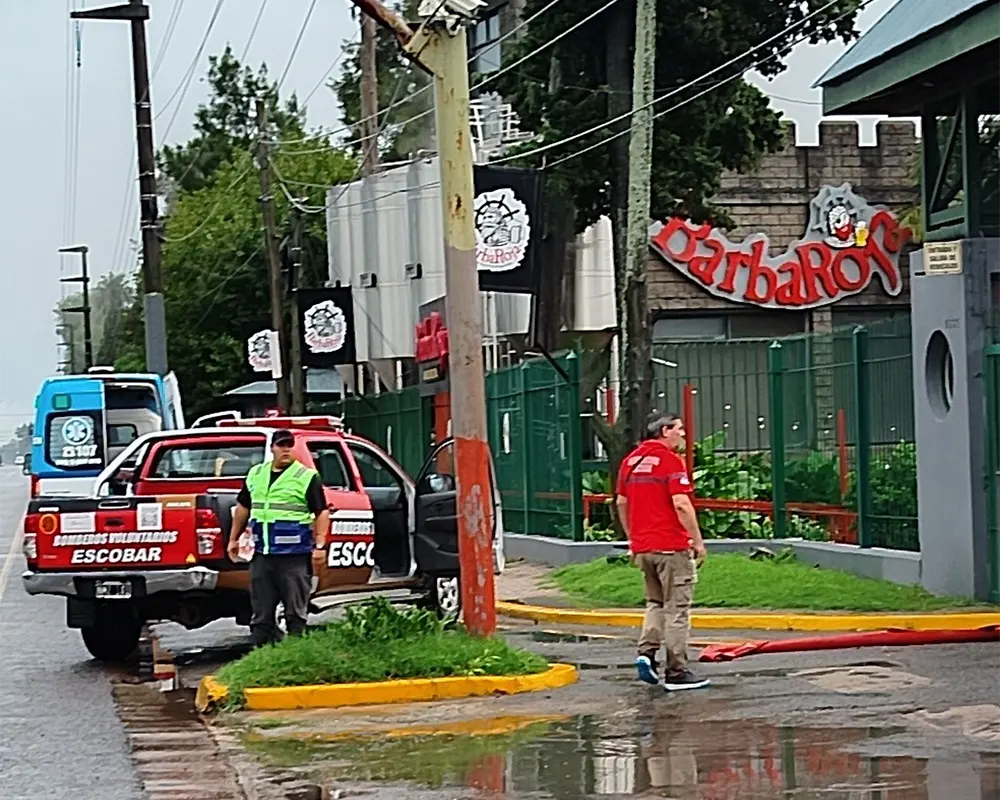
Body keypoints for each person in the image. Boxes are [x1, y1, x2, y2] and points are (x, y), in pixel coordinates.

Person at [616, 411, 709, 691]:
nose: (683, 434)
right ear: (665, 430)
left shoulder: (630, 462)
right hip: (671, 547)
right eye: (679, 429)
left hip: (644, 548)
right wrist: (698, 541)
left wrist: (634, 538)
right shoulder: (670, 461)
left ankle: (646, 654)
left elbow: (621, 502)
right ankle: (677, 671)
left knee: (654, 603)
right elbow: (681, 503)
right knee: (677, 609)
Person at [227, 429, 331, 646]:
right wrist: (233, 539)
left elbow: (321, 511)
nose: (286, 449)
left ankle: (295, 654)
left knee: (295, 612)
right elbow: (243, 507)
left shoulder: (306, 476)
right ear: (272, 448)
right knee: (261, 613)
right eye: (281, 445)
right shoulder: (256, 474)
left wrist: (320, 545)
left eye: (290, 445)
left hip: (294, 556)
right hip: (262, 553)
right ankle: (259, 655)